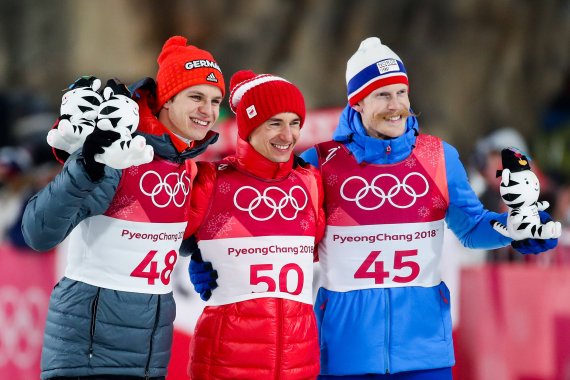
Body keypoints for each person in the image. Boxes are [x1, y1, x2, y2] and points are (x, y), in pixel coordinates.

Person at [298, 37, 559, 379]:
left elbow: (470, 227)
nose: (396, 105)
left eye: (401, 93)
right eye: (382, 95)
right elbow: (284, 234)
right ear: (357, 103)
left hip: (423, 351)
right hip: (345, 352)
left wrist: (514, 229)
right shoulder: (320, 162)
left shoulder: (438, 156)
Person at [21, 35, 225, 380]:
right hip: (89, 358)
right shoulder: (118, 154)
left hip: (147, 360)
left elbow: (188, 237)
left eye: (215, 100)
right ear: (166, 100)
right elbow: (38, 233)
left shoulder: (186, 167)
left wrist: (211, 258)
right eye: (196, 97)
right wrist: (85, 167)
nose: (207, 110)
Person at [185, 70, 325, 379]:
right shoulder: (211, 179)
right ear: (248, 127)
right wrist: (194, 253)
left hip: (298, 363)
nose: (287, 136)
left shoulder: (310, 183)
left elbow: (322, 250)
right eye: (275, 122)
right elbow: (158, 233)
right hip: (226, 364)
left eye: (294, 123)